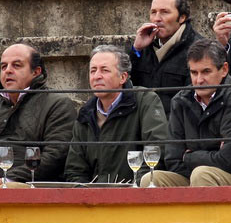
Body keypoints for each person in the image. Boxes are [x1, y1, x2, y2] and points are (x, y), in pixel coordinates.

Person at [140, 39, 231, 187]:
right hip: (192, 175)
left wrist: (189, 156)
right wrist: (210, 156)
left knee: (201, 175)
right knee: (151, 179)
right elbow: (172, 160)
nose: (199, 80)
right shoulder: (180, 100)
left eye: (206, 72)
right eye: (194, 72)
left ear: (224, 70)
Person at [0, 44, 76, 188]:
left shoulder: (57, 104)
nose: (8, 70)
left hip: (31, 187)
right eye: (3, 67)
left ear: (36, 71)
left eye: (16, 65)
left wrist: (6, 181)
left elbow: (56, 155)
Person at [65, 45, 169, 183]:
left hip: (135, 195)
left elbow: (156, 150)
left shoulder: (145, 100)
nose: (97, 77)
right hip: (94, 199)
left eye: (105, 70)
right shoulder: (85, 114)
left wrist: (134, 189)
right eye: (93, 71)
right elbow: (75, 169)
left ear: (123, 77)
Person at [129, 0, 204, 116]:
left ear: (182, 17)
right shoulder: (144, 44)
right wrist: (136, 50)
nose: (157, 18)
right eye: (153, 12)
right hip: (145, 125)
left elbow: (194, 101)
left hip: (177, 128)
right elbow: (125, 85)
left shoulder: (198, 49)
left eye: (165, 12)